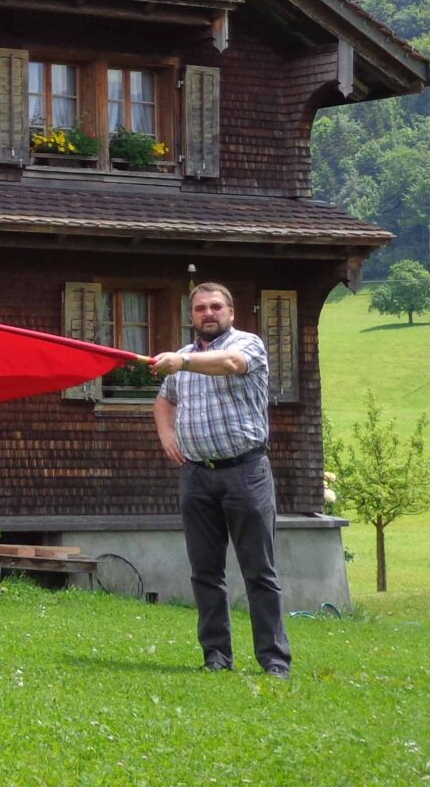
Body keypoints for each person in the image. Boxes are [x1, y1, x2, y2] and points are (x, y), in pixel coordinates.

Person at [152, 282, 291, 679]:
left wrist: (183, 365)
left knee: (258, 571)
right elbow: (165, 398)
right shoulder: (182, 357)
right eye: (199, 309)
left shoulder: (248, 345)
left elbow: (229, 364)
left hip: (245, 473)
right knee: (205, 572)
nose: (207, 313)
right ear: (191, 316)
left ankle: (274, 661)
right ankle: (216, 656)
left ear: (230, 312)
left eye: (215, 306)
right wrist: (166, 433)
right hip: (197, 476)